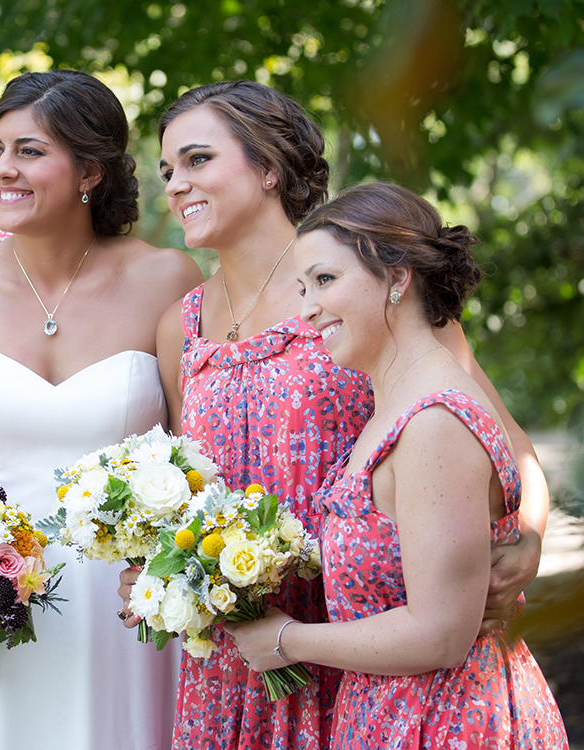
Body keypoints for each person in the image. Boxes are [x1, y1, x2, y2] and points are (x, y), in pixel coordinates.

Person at [117, 80, 549, 750]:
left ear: (268, 168)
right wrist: (161, 573)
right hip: (245, 660)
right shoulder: (183, 325)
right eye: (168, 168)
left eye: (198, 160)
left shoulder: (364, 292)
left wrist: (527, 539)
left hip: (367, 643)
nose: (175, 184)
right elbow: (189, 498)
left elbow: (497, 441)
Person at [0, 70, 204, 750]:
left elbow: (200, 455)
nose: (2, 169)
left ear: (90, 168)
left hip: (125, 613)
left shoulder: (167, 281)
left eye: (29, 151)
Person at [226, 182, 568, 748]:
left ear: (398, 278)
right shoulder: (395, 406)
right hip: (390, 715)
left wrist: (287, 640)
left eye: (326, 280)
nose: (307, 308)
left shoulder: (434, 421)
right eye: (303, 286)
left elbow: (440, 636)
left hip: (448, 721)